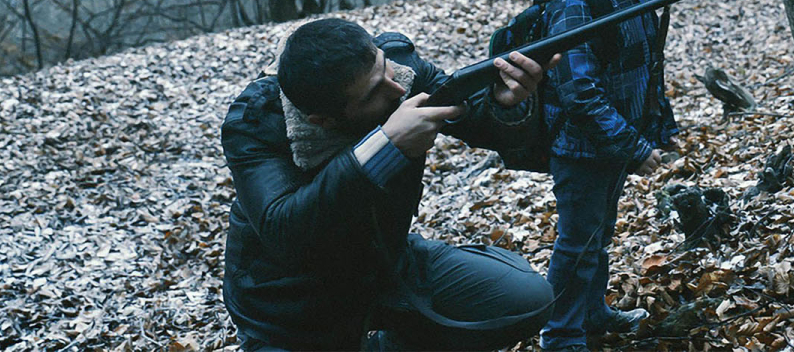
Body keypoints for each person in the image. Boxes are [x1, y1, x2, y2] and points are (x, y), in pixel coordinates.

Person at [221, 17, 557, 351]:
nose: (397, 89)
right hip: (286, 299)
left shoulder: (400, 68)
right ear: (321, 120)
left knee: (528, 299)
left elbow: (483, 124)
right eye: (373, 93)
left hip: (384, 259)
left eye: (385, 68)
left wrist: (504, 101)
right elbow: (286, 230)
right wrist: (384, 147)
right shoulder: (255, 119)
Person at [539, 0, 679, 351]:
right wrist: (633, 147)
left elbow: (645, 67)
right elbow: (580, 94)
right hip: (581, 150)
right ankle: (560, 335)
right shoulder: (576, 5)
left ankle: (592, 313)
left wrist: (659, 126)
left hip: (614, 143)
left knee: (598, 236)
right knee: (577, 243)